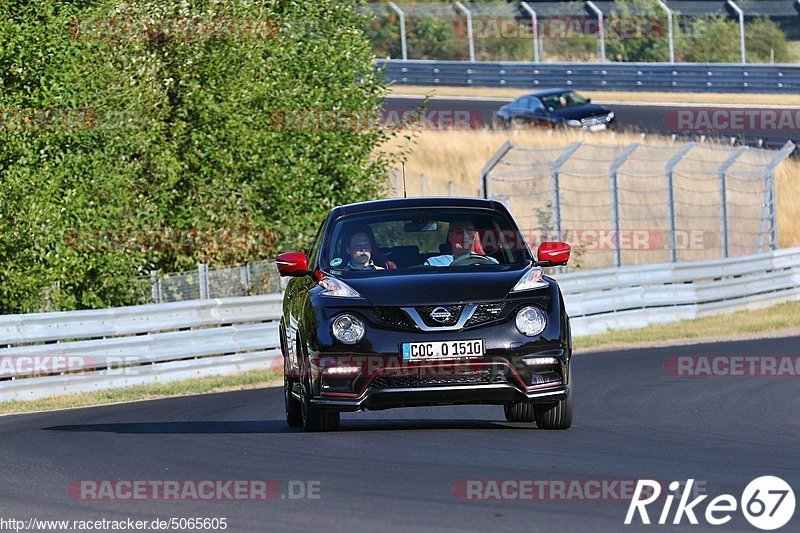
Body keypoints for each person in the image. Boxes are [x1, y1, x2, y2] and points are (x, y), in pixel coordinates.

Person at [425, 219, 498, 267]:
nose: (465, 236)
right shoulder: (433, 264)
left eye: (469, 230)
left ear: (474, 236)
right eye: (459, 232)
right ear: (450, 237)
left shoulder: (490, 263)